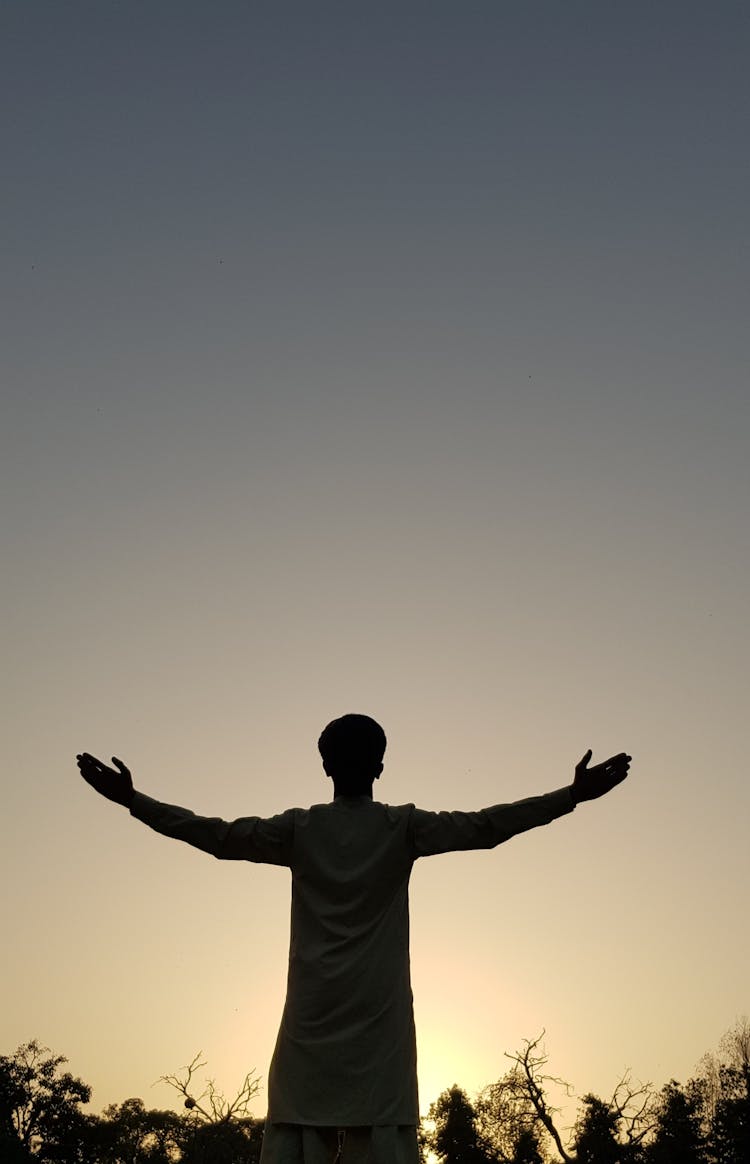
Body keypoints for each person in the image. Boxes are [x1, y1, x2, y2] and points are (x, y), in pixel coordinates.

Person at [76, 713, 630, 1164]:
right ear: (381, 767)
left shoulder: (301, 828)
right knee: (382, 1139)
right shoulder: (401, 826)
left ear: (324, 765)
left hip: (313, 1024)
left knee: (297, 1133)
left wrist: (133, 800)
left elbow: (214, 834)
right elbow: (488, 826)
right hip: (377, 1022)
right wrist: (570, 795)